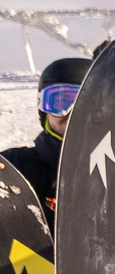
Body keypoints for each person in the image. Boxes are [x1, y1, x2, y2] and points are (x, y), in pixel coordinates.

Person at [3, 54, 89, 216]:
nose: (72, 114)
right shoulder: (16, 166)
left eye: (88, 105)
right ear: (43, 109)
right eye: (60, 101)